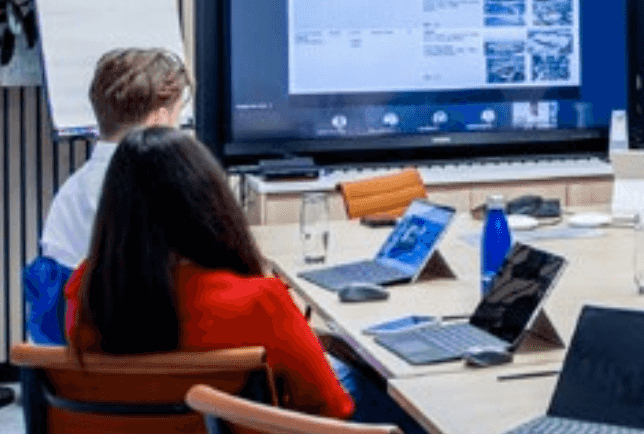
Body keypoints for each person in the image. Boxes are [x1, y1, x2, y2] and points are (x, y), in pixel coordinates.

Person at [64, 127, 420, 432]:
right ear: (209, 203)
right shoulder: (258, 301)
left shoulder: (85, 290)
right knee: (386, 390)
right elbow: (333, 410)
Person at [25, 48, 190, 345]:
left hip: (81, 381)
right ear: (160, 120)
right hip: (170, 380)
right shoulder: (180, 191)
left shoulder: (69, 196)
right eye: (178, 116)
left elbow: (47, 325)